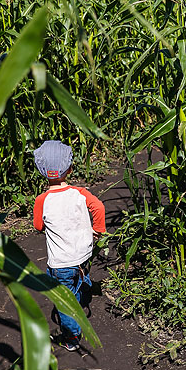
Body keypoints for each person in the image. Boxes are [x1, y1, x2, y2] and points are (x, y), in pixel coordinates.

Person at [32, 140, 106, 352]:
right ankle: (82, 295)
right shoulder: (81, 193)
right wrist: (98, 230)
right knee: (78, 278)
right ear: (70, 169)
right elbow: (99, 207)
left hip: (61, 263)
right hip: (83, 254)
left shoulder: (42, 200)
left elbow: (38, 226)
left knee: (63, 302)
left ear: (42, 172)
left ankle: (72, 338)